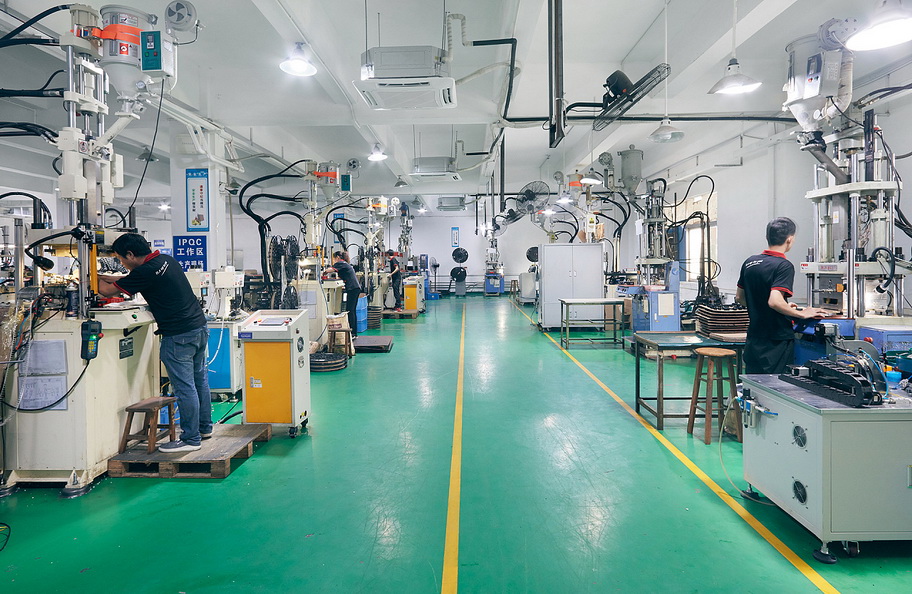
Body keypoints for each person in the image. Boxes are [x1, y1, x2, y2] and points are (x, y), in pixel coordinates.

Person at [97, 234, 212, 452]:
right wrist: (106, 276)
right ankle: (204, 428)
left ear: (131, 255)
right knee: (199, 382)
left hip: (178, 336)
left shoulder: (144, 272)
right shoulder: (166, 260)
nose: (122, 263)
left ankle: (191, 439)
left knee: (184, 388)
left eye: (121, 259)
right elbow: (127, 279)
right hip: (198, 328)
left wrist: (89, 278)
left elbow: (106, 291)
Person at [736, 217, 829, 374]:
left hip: (754, 339)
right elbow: (774, 302)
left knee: (754, 383)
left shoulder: (750, 262)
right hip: (776, 342)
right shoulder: (783, 265)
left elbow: (740, 298)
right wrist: (801, 313)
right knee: (774, 385)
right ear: (790, 239)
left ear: (767, 237)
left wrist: (785, 307)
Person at [331, 251, 362, 337]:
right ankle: (354, 332)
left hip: (353, 289)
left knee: (350, 311)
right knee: (352, 311)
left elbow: (330, 270)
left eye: (334, 258)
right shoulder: (345, 264)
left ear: (337, 257)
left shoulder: (341, 263)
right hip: (355, 288)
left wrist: (323, 272)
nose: (334, 260)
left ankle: (353, 333)